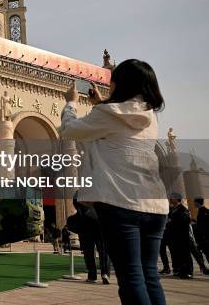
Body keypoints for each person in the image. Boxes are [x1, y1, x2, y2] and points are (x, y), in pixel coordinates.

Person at [60, 59, 168, 305]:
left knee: (131, 277)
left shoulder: (107, 114)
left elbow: (69, 130)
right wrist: (100, 104)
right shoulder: (149, 115)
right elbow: (118, 125)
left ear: (121, 84)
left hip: (121, 205)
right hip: (155, 207)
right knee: (149, 274)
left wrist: (70, 103)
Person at [74, 198, 111, 284]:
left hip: (86, 227)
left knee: (89, 253)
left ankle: (92, 275)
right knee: (103, 252)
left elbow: (77, 207)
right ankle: (105, 273)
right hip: (99, 226)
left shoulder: (79, 194)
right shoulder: (99, 193)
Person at [169, 195, 193, 278]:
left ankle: (188, 272)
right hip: (175, 236)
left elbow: (185, 221)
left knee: (185, 254)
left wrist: (172, 222)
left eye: (172, 198)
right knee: (178, 254)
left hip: (182, 236)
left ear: (177, 199)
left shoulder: (183, 209)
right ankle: (181, 270)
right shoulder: (174, 209)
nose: (170, 199)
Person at [194, 198, 209, 264]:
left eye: (194, 202)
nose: (194, 204)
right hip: (204, 236)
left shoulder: (203, 211)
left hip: (204, 237)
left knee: (207, 253)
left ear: (197, 203)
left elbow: (202, 226)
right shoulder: (204, 211)